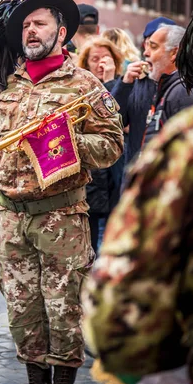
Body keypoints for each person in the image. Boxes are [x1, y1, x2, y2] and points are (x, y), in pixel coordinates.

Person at [0, 0, 124, 384]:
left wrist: (64, 141)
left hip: (61, 218)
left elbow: (111, 145)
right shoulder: (9, 85)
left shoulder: (85, 85)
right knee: (21, 310)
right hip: (10, 217)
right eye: (25, 26)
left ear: (62, 32)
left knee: (64, 308)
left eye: (39, 23)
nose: (30, 31)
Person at [82, 12, 193, 384]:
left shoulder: (184, 102)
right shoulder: (150, 86)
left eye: (152, 46)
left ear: (176, 52)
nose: (143, 53)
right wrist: (127, 85)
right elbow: (111, 119)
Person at [78, 38, 125, 253]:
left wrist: (109, 82)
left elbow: (120, 118)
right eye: (94, 59)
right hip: (92, 181)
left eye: (105, 58)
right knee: (90, 249)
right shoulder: (79, 90)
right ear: (86, 64)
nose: (100, 64)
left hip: (115, 178)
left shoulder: (124, 85)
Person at [111, 16, 175, 168]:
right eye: (149, 45)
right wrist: (124, 83)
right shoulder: (135, 80)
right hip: (136, 171)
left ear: (174, 51)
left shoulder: (186, 84)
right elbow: (113, 121)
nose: (148, 53)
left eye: (156, 46)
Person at [142, 24, 193, 146]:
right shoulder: (170, 87)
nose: (146, 53)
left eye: (153, 47)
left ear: (174, 53)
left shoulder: (184, 91)